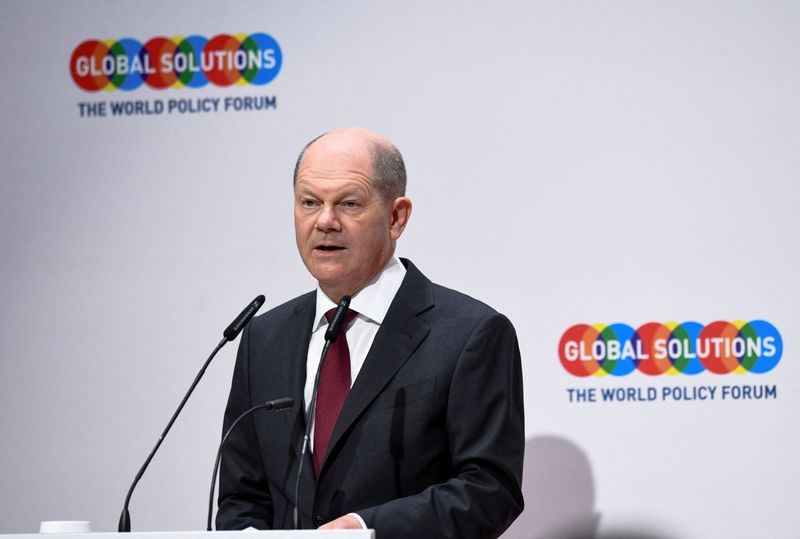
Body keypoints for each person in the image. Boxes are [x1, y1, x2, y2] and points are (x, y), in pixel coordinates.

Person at [216, 127, 525, 538]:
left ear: (396, 217)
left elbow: (490, 490)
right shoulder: (264, 338)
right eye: (309, 202)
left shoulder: (470, 334)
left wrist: (368, 529)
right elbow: (242, 497)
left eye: (349, 203)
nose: (325, 222)